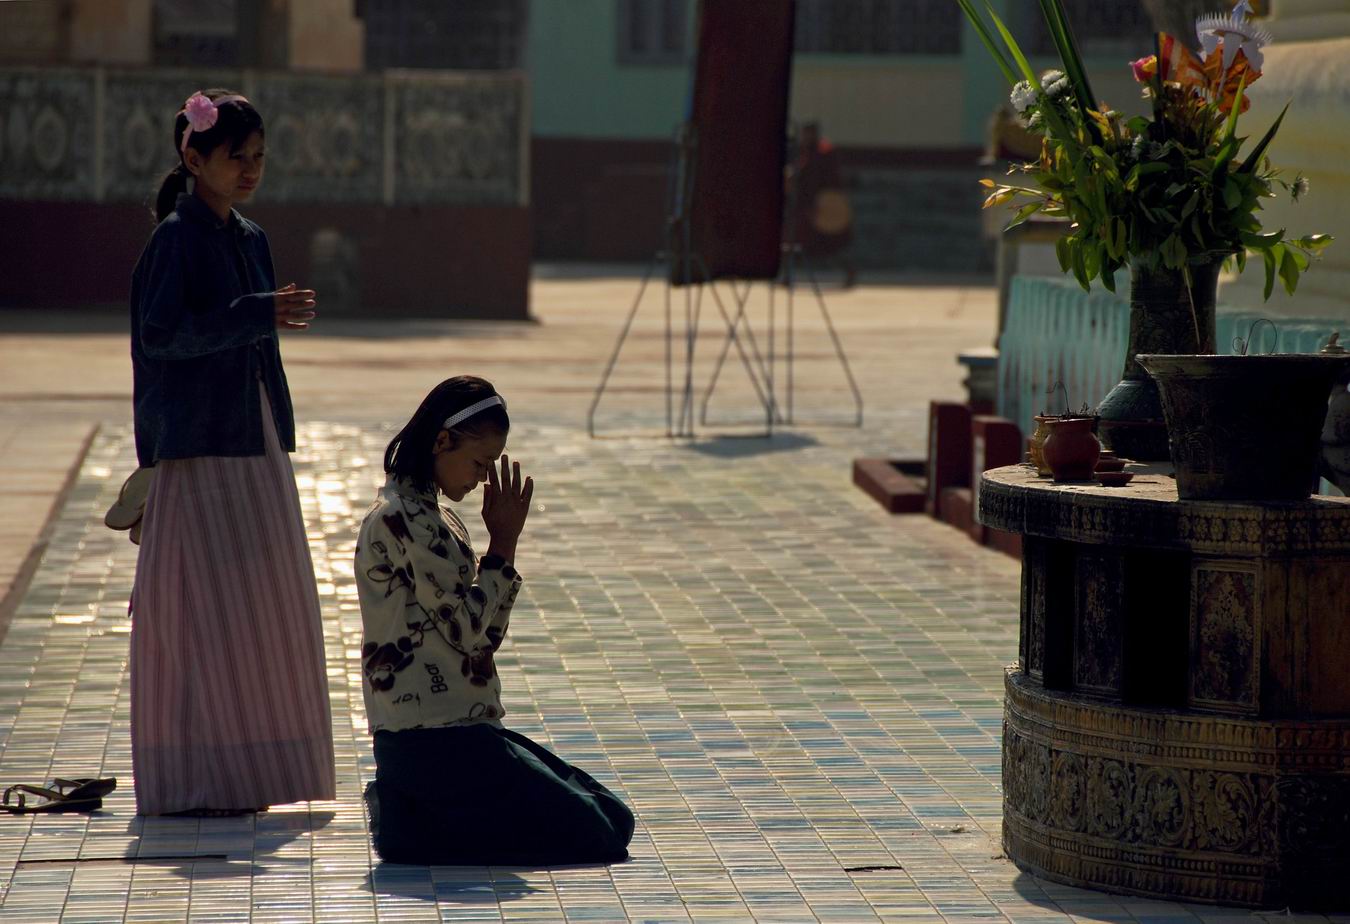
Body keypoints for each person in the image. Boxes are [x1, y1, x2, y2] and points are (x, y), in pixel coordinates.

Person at [128, 89, 336, 816]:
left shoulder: (250, 238)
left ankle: (256, 776)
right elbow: (162, 337)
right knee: (199, 615)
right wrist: (253, 313)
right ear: (194, 158)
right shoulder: (174, 241)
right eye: (235, 157)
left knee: (260, 608)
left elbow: (252, 342)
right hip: (199, 446)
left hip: (254, 439)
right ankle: (195, 775)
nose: (250, 170)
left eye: (258, 158)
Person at [356, 376, 635, 865]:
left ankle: (423, 813)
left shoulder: (438, 517)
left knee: (613, 816)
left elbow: (484, 638)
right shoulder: (402, 520)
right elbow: (467, 632)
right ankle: (407, 822)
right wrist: (503, 543)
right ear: (442, 441)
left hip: (469, 730)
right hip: (431, 740)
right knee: (595, 834)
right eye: (480, 463)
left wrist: (501, 554)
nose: (483, 478)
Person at [787, 121, 857, 288]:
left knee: (829, 245)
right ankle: (786, 275)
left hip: (822, 206)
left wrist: (817, 203)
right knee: (794, 242)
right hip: (805, 205)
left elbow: (822, 180)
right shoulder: (806, 152)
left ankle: (849, 270)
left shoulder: (824, 152)